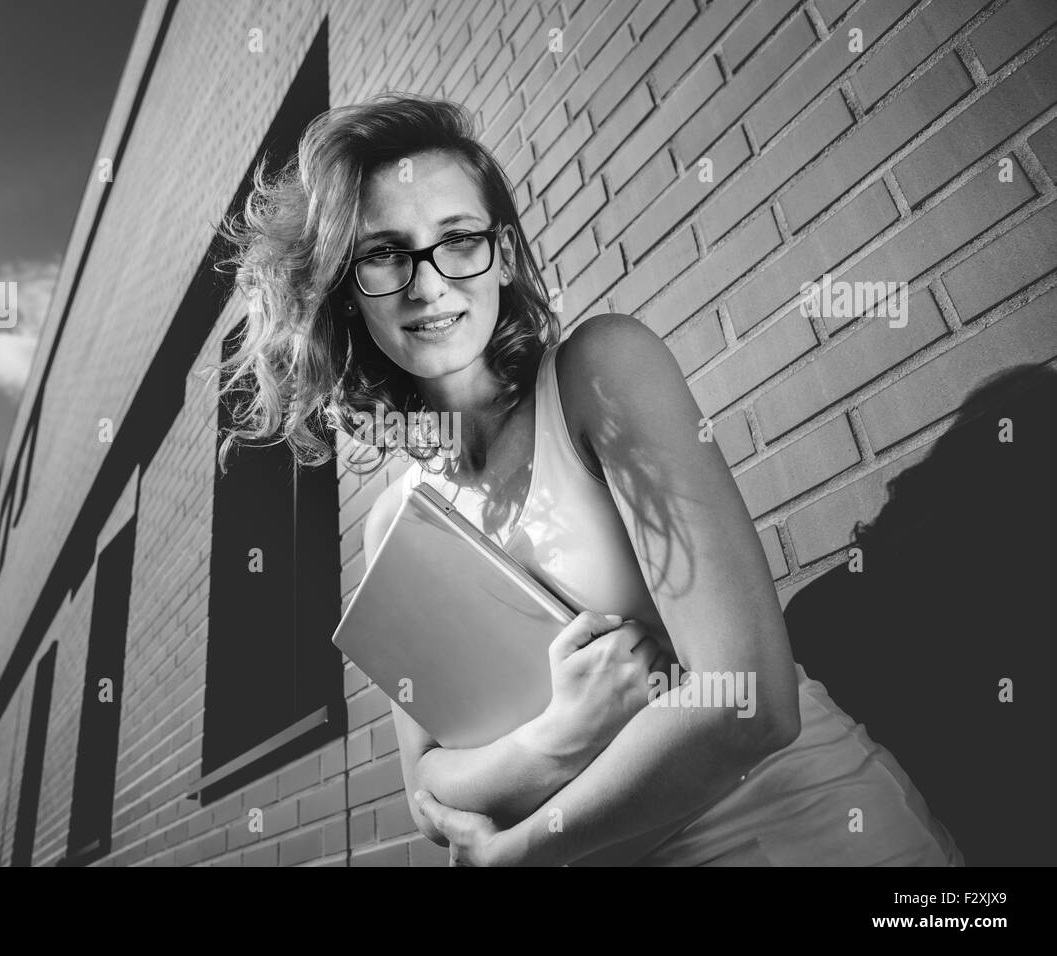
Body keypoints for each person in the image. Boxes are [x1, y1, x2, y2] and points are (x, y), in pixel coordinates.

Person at [215, 92, 964, 867]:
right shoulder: (394, 525)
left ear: (502, 254)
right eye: (384, 253)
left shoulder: (597, 374)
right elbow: (429, 794)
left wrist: (521, 852)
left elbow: (750, 706)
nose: (428, 283)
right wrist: (560, 734)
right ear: (348, 286)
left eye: (458, 238)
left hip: (804, 835)